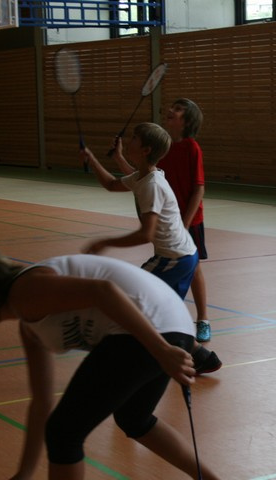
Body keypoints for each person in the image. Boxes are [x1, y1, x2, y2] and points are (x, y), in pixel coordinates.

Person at [0, 239, 222, 480]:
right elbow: (41, 403)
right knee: (134, 418)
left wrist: (161, 349)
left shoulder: (25, 292)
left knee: (64, 433)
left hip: (152, 329)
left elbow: (103, 291)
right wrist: (24, 473)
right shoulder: (29, 324)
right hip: (169, 325)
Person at [81, 122, 221, 375]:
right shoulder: (143, 177)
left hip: (174, 258)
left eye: (134, 138)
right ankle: (202, 357)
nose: (129, 140)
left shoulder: (151, 185)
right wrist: (92, 159)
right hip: (183, 256)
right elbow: (111, 184)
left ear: (145, 150)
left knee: (129, 298)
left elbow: (146, 234)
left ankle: (129, 357)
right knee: (163, 313)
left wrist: (104, 242)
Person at [111, 99, 212, 343]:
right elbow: (139, 178)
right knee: (174, 268)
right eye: (172, 107)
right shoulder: (163, 148)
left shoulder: (192, 148)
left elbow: (199, 188)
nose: (170, 110)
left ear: (187, 121)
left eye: (177, 110)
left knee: (194, 267)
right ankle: (170, 322)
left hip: (189, 218)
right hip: (169, 217)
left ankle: (203, 319)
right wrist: (119, 158)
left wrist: (185, 223)